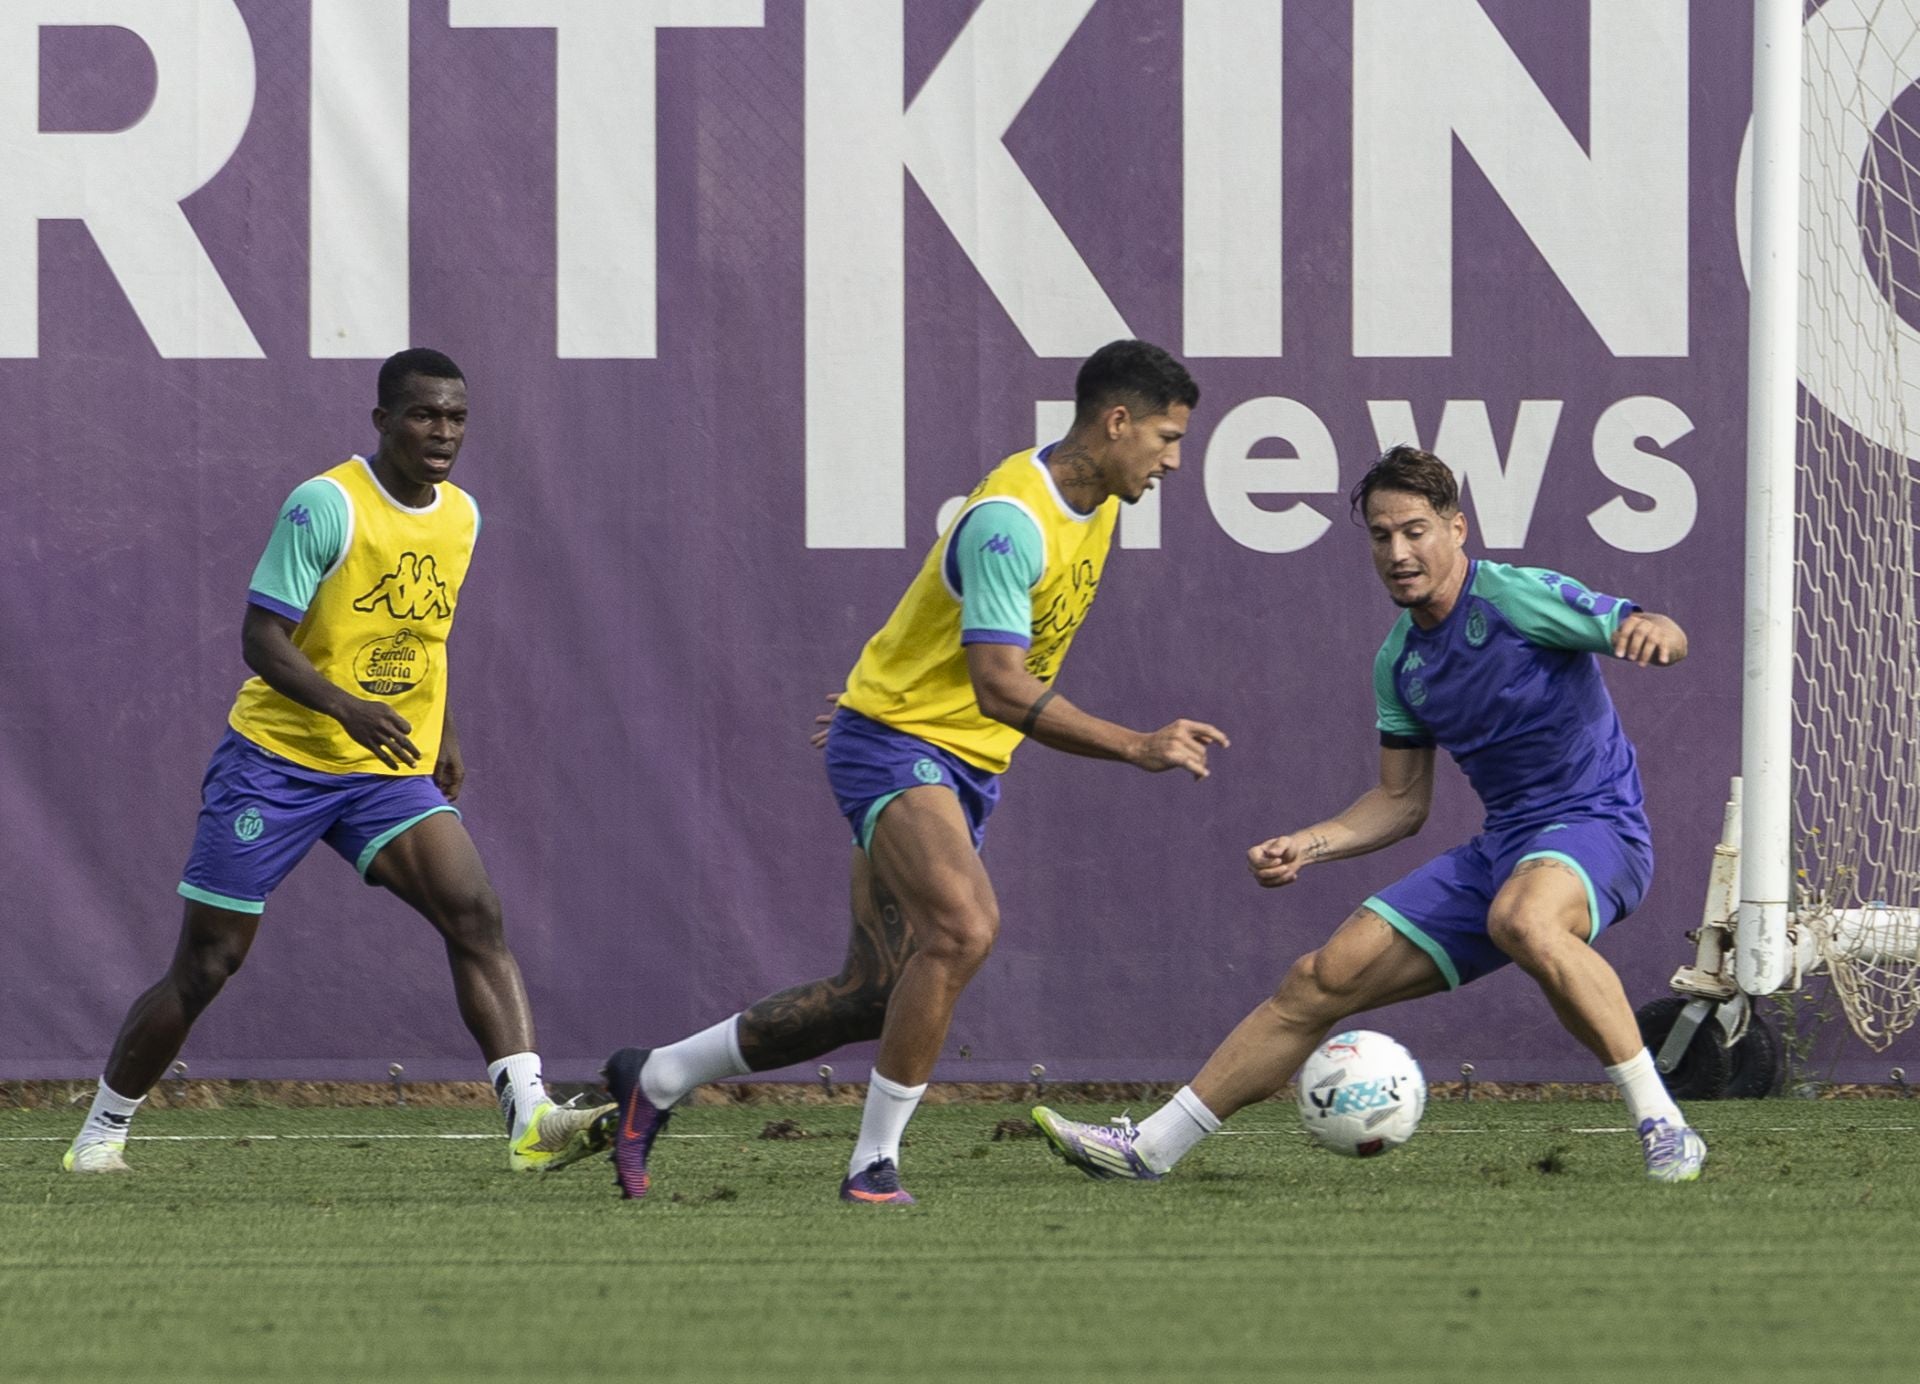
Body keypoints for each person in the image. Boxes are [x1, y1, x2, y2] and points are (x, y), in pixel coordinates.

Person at [602, 340, 1228, 1204]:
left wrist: (880, 688)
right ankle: (871, 1168)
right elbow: (1003, 684)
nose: (1173, 460)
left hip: (941, 752)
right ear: (1116, 422)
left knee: (869, 995)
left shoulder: (1100, 502)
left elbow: (938, 620)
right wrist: (1138, 744)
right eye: (1166, 436)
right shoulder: (1012, 519)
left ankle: (659, 1076)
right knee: (966, 928)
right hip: (901, 752)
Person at [1034, 445, 1708, 1183]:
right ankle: (1149, 1149)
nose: (1398, 551)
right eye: (1381, 536)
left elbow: (1656, 627)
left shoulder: (1518, 596)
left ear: (1457, 529)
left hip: (1597, 826)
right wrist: (1308, 844)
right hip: (1504, 848)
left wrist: (1656, 635)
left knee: (1524, 918)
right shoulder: (1400, 664)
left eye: (1415, 530)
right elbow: (1401, 802)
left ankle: (1665, 1126)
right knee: (1321, 977)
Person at [64, 349, 610, 1175]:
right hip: (277, 760)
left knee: (474, 912)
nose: (443, 432)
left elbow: (423, 637)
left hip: (384, 771)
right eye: (425, 414)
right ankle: (101, 1133)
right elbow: (260, 639)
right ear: (383, 420)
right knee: (209, 962)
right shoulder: (326, 505)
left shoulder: (461, 516)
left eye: (456, 417)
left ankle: (530, 1121)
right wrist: (349, 707)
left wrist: (444, 733)